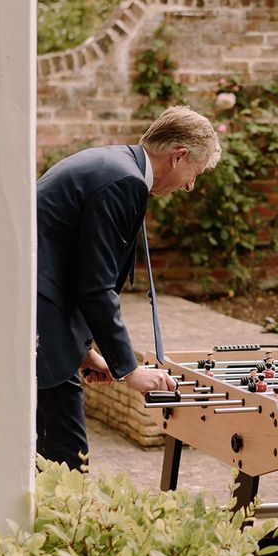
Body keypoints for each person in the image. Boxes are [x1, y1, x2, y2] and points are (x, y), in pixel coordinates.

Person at [36, 105, 221, 470]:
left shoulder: (117, 166)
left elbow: (74, 267)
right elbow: (96, 286)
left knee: (53, 456)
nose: (189, 185)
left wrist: (84, 352)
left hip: (41, 313)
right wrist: (129, 370)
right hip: (38, 320)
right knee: (68, 462)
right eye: (193, 173)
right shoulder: (126, 181)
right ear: (178, 156)